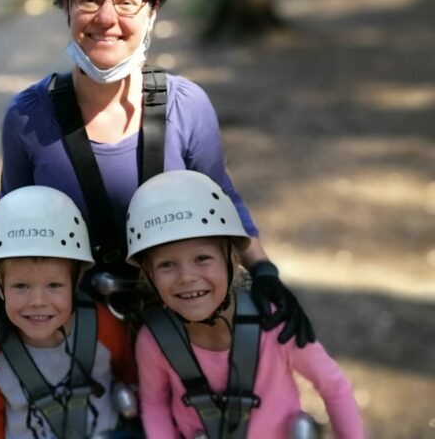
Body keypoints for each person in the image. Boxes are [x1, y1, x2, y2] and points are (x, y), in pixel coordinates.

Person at [0, 0, 314, 372]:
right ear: (66, 6)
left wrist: (266, 274)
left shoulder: (186, 106)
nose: (106, 18)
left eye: (128, 2)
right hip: (75, 330)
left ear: (152, 10)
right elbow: (13, 214)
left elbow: (223, 197)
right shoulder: (28, 117)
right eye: (89, 0)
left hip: (178, 318)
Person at [127, 170, 363, 438]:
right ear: (148, 273)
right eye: (167, 265)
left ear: (234, 260)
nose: (187, 277)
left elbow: (334, 387)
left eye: (202, 258)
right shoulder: (154, 340)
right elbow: (154, 404)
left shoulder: (275, 323)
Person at [0, 185, 139, 439]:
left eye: (54, 285)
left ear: (77, 280)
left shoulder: (103, 326)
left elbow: (131, 379)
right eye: (21, 286)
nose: (38, 301)